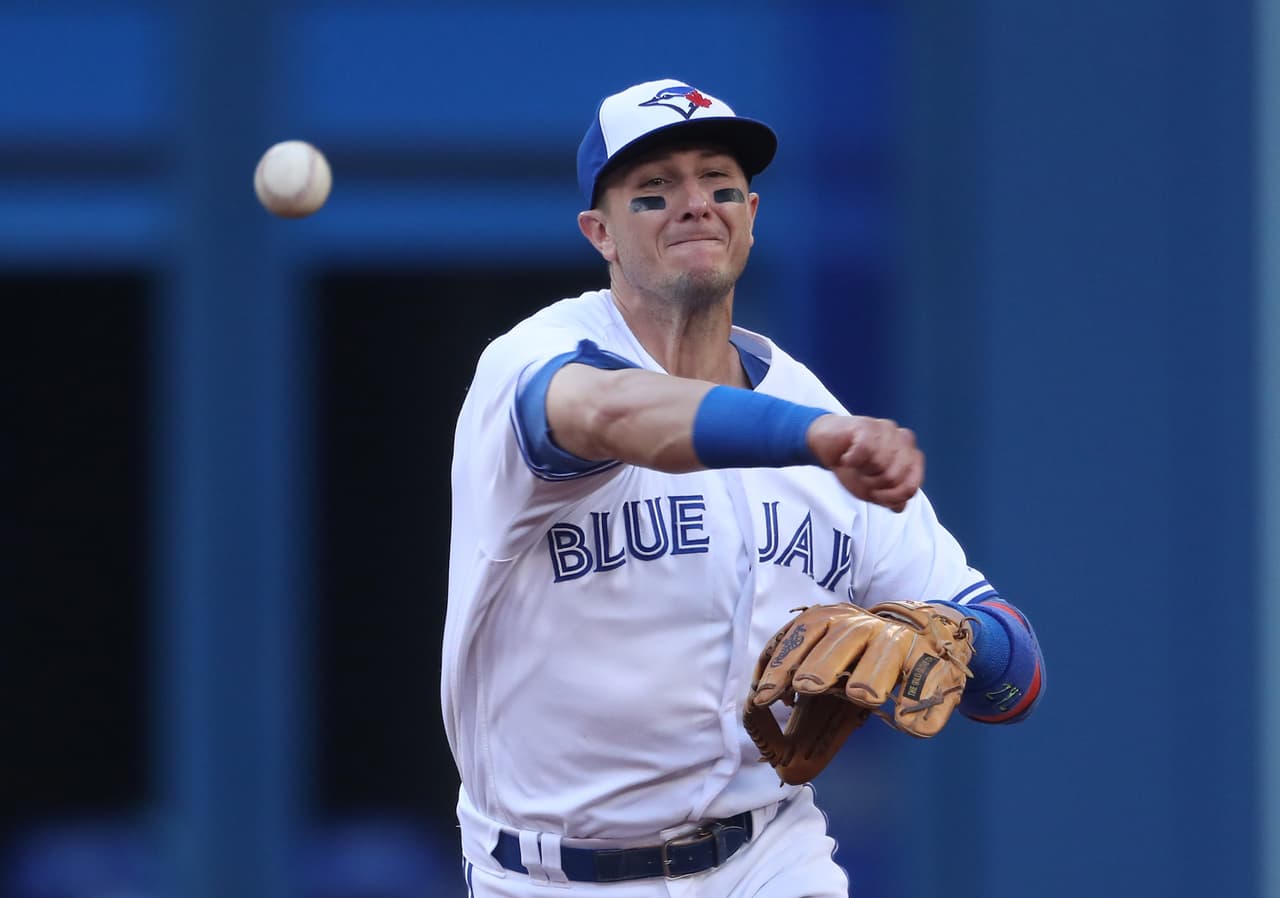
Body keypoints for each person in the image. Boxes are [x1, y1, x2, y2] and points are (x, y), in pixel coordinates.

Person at [441, 78, 1044, 898]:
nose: (694, 205)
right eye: (653, 192)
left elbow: (1017, 677)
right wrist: (809, 440)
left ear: (752, 217)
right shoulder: (535, 359)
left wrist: (956, 637)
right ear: (600, 233)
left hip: (768, 860)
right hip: (552, 875)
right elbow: (616, 410)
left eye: (719, 185)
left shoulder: (814, 408)